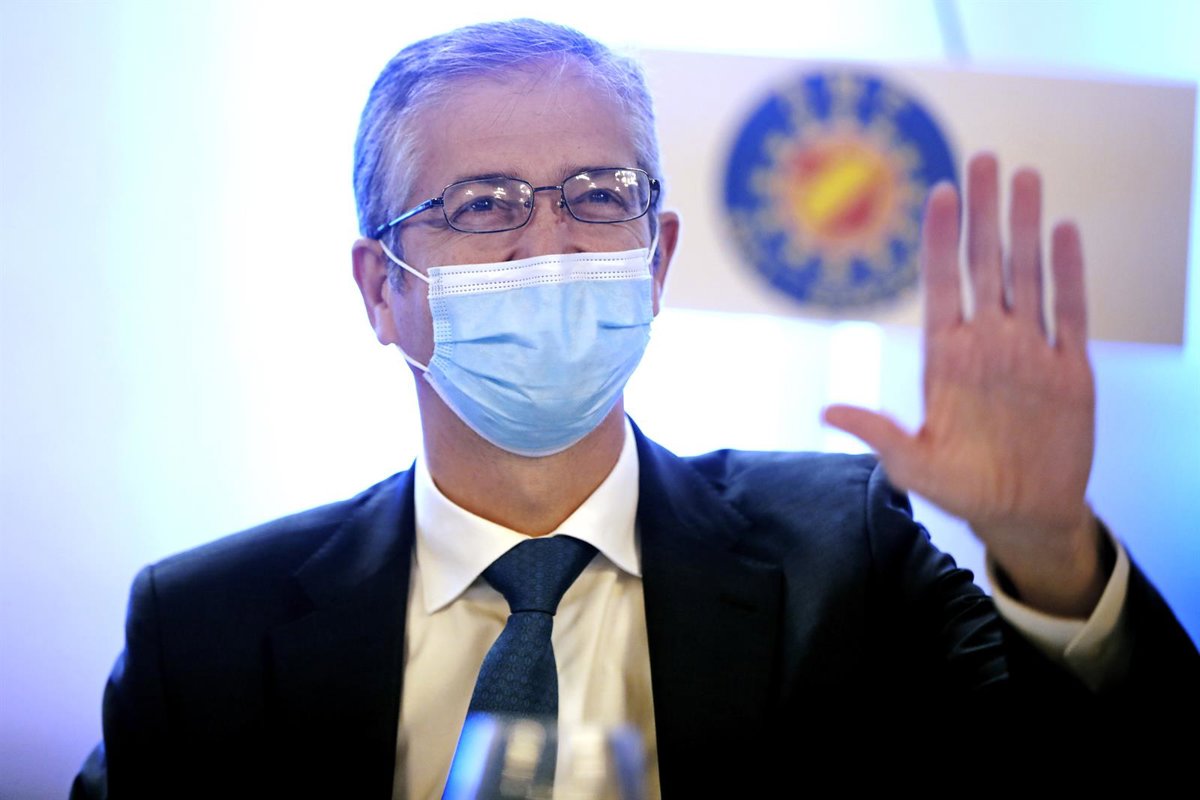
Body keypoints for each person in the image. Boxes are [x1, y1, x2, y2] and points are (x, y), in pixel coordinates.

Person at [73, 18, 1198, 800]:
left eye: (599, 196)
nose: (552, 243)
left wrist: (1051, 552)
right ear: (381, 291)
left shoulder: (842, 552)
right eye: (482, 204)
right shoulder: (206, 629)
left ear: (656, 260)